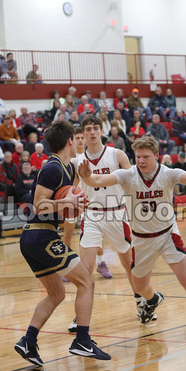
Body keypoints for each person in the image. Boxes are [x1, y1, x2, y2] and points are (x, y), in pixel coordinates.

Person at [79, 135, 186, 331]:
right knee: (140, 287)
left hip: (168, 235)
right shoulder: (128, 175)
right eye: (138, 157)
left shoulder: (167, 173)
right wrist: (87, 177)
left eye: (145, 157)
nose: (141, 161)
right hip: (141, 239)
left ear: (157, 156)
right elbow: (98, 179)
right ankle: (153, 300)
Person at [14, 120, 111, 367]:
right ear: (70, 141)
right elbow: (39, 205)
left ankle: (28, 340)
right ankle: (82, 339)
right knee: (87, 282)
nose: (79, 140)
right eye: (76, 137)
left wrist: (80, 191)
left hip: (38, 237)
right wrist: (65, 203)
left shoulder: (69, 169)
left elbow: (70, 197)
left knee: (57, 293)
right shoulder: (52, 168)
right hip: (40, 235)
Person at [67, 115, 144, 333]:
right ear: (82, 134)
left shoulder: (116, 154)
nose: (91, 132)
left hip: (117, 214)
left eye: (95, 128)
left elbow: (134, 181)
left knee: (130, 265)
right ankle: (78, 317)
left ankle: (141, 303)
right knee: (85, 270)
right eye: (87, 129)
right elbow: (73, 189)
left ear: (101, 131)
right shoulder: (76, 162)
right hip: (91, 216)